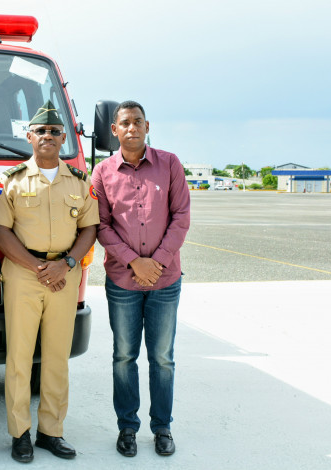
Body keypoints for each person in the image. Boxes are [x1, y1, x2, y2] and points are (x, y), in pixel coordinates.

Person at [0, 100, 98, 463]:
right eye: (41, 131)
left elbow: (90, 228)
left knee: (56, 358)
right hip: (24, 275)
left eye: (54, 131)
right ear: (29, 136)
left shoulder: (80, 181)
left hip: (64, 276)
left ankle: (51, 431)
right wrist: (38, 267)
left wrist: (66, 264)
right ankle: (20, 433)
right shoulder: (11, 180)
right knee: (19, 358)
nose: (47, 136)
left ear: (64, 137)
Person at [91, 101, 190, 458]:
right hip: (123, 282)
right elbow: (100, 225)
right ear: (114, 130)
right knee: (124, 356)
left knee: (162, 358)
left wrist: (156, 263)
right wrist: (135, 262)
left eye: (137, 122)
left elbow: (181, 217)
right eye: (124, 123)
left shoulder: (170, 164)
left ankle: (162, 427)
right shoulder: (102, 172)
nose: (131, 128)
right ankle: (127, 428)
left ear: (147, 126)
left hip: (165, 281)